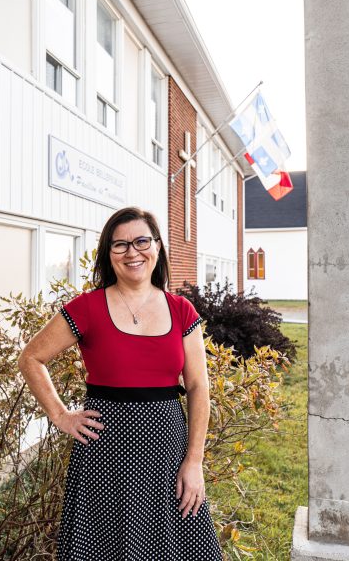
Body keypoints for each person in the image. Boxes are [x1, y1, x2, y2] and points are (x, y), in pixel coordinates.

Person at [18, 206, 223, 560]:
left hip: (167, 457)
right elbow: (30, 358)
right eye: (120, 245)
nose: (132, 252)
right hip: (103, 456)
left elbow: (198, 387)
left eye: (142, 241)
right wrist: (61, 415)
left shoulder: (181, 310)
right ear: (108, 254)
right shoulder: (87, 308)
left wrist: (194, 462)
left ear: (157, 247)